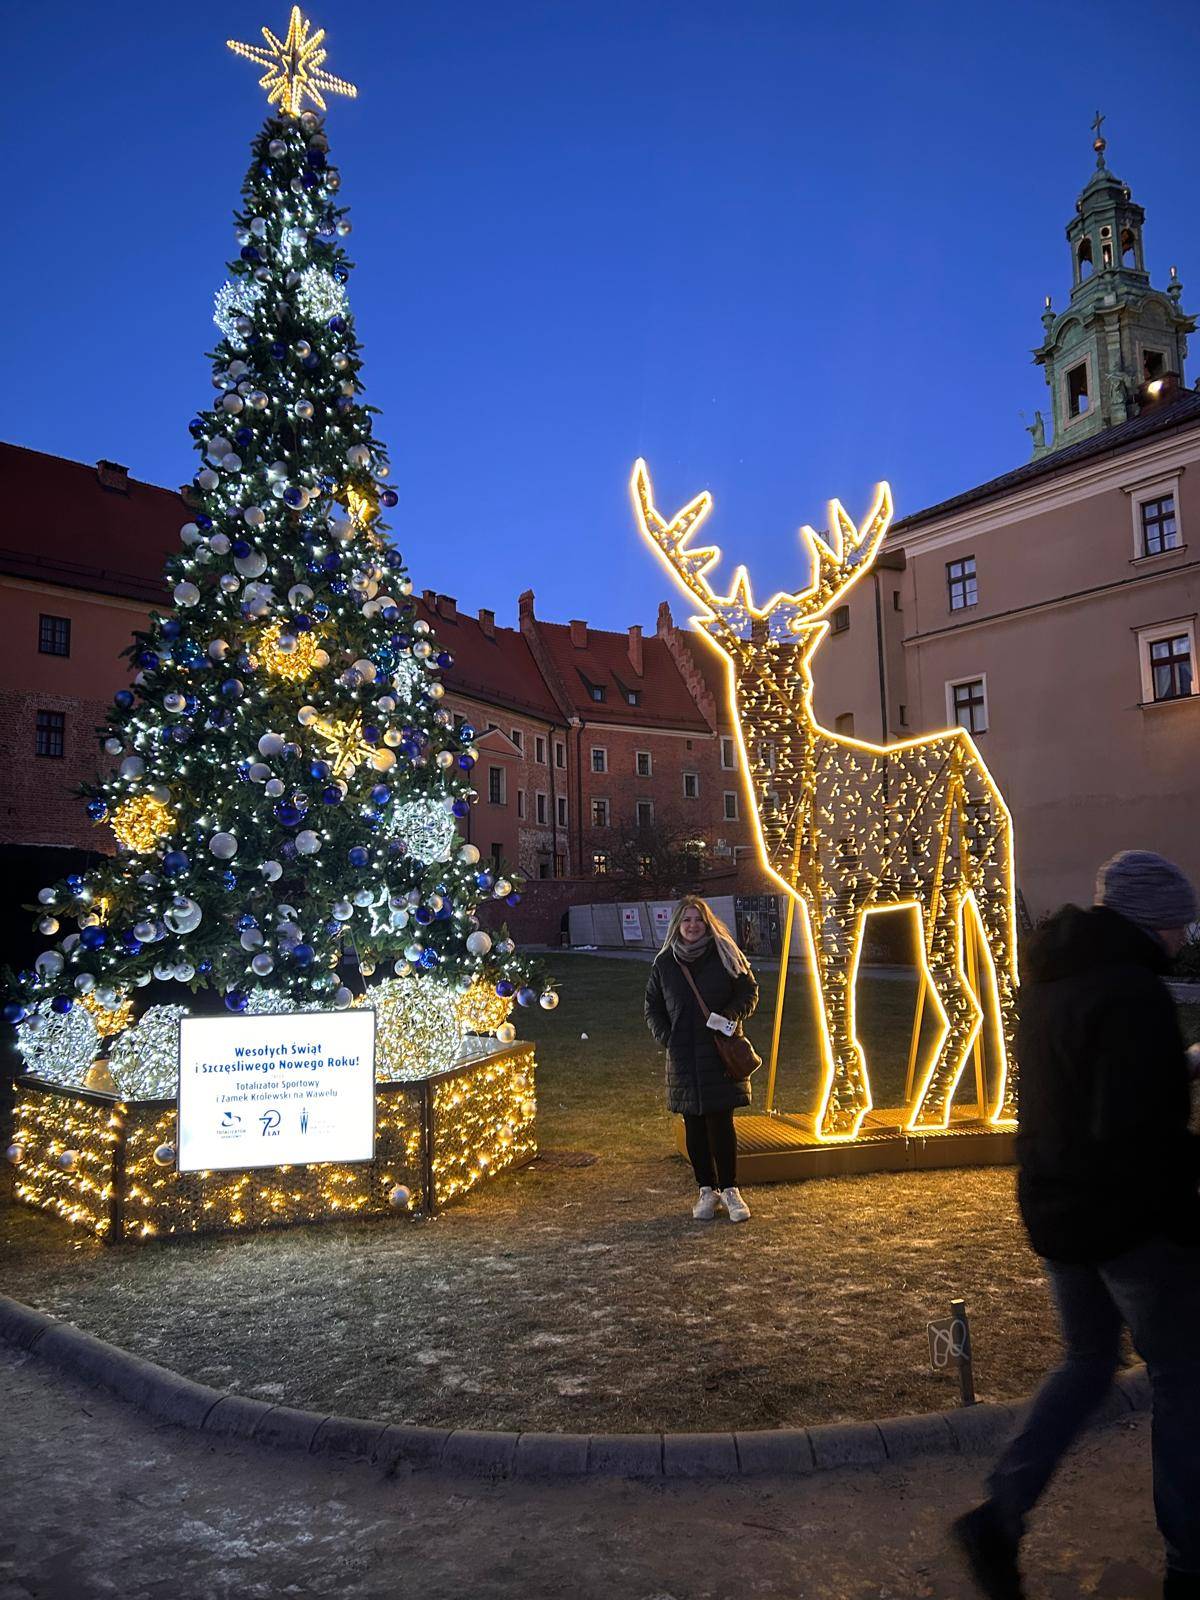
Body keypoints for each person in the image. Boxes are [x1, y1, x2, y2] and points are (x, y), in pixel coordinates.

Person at [954, 850, 1200, 1600]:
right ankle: (1191, 1563)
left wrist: (1177, 1064)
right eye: (1179, 922)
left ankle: (998, 1516)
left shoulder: (1056, 981)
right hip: (1129, 1223)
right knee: (1186, 1380)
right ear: (1156, 921)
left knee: (1088, 1363)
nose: (1184, 935)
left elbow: (1090, 1084)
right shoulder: (1134, 992)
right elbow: (1136, 1126)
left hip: (1056, 1207)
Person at [644, 895, 759, 1222]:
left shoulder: (724, 953)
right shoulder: (665, 963)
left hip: (718, 1053)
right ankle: (705, 1191)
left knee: (720, 1122)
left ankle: (731, 1190)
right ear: (677, 925)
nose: (692, 926)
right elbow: (652, 1006)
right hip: (683, 1057)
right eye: (686, 920)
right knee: (693, 1123)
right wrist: (668, 1038)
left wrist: (730, 1016)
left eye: (698, 920)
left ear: (707, 923)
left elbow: (748, 991)